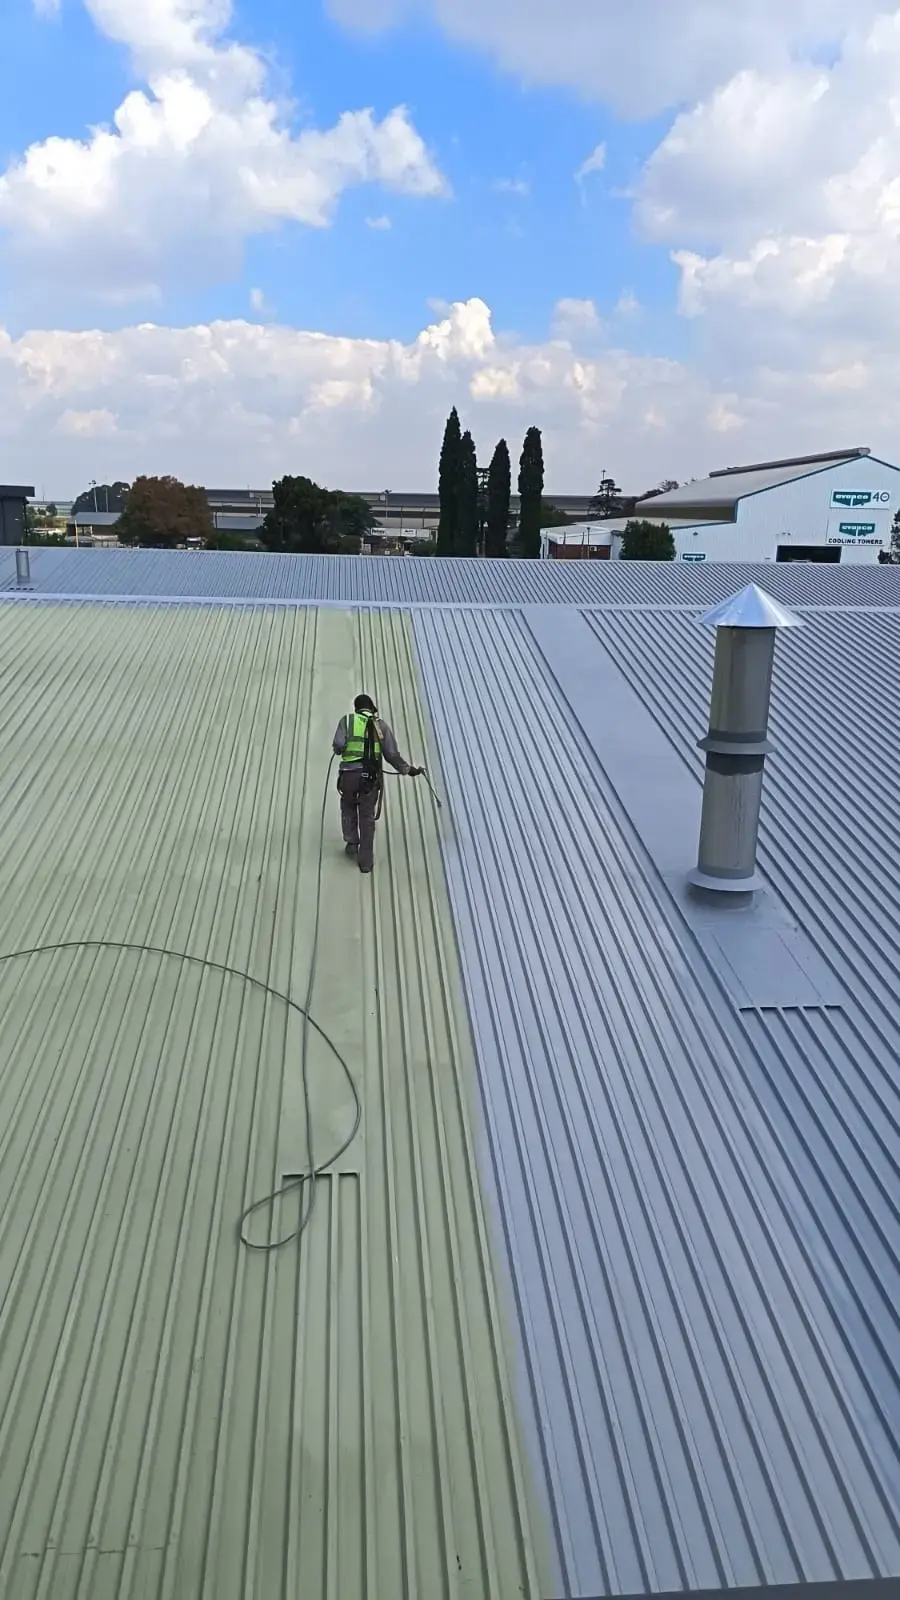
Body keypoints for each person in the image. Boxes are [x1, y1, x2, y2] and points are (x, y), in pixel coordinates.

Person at [333, 694, 423, 873]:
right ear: (372, 708)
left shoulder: (347, 721)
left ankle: (352, 844)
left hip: (349, 776)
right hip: (370, 778)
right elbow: (391, 755)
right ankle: (365, 862)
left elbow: (338, 745)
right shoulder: (380, 725)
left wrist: (342, 749)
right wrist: (408, 770)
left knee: (348, 806)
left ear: (356, 708)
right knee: (366, 817)